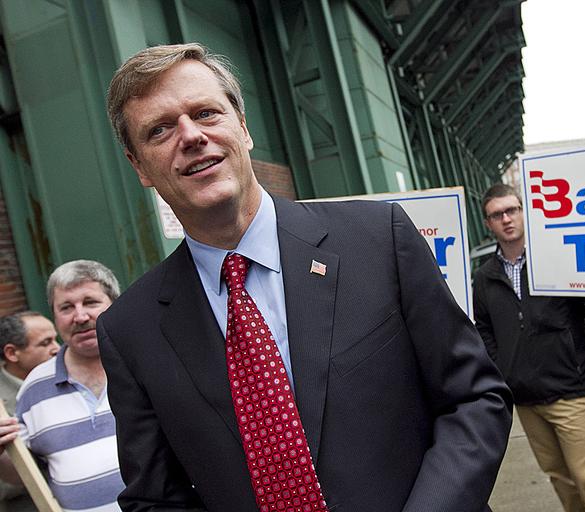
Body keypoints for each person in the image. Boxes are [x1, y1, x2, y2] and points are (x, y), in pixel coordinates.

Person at [97, 42, 512, 512]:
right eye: (160, 130)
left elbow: (475, 399)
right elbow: (155, 497)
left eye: (206, 113)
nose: (191, 136)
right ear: (139, 167)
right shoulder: (129, 330)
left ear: (244, 128)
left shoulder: (379, 239)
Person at [473, 183, 585, 512]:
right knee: (559, 476)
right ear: (488, 224)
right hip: (525, 398)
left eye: (512, 210)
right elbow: (484, 329)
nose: (506, 219)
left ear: (524, 213)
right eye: (497, 214)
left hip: (569, 390)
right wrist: (502, 374)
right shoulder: (485, 277)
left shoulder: (558, 262)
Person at [0, 260, 124, 512]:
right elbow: (22, 475)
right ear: (55, 317)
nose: (80, 316)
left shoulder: (149, 365)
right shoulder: (33, 389)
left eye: (90, 302)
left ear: (115, 304)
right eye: (66, 307)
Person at [0, 311, 59, 511]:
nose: (57, 349)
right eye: (45, 343)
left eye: (56, 339)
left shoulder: (65, 379)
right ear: (12, 353)